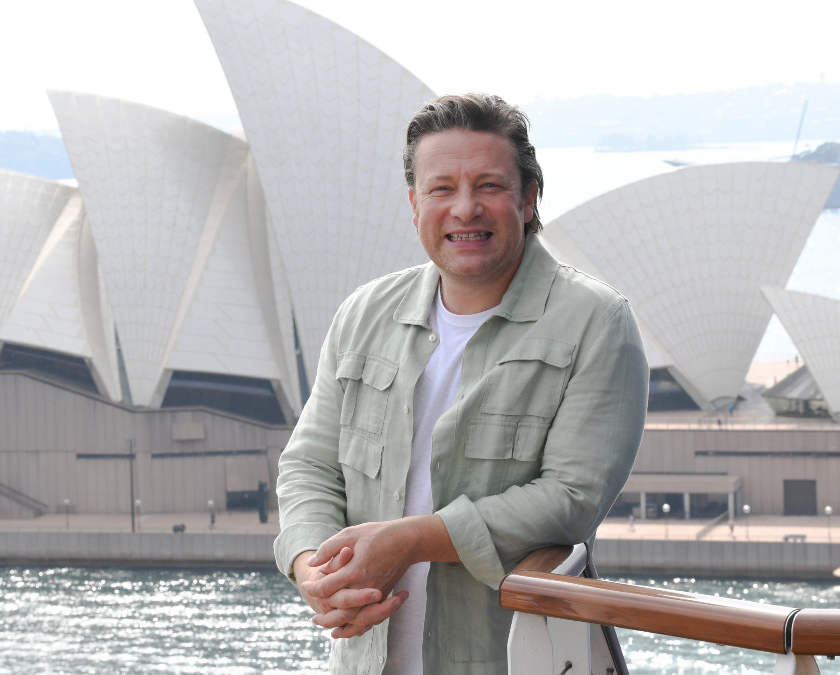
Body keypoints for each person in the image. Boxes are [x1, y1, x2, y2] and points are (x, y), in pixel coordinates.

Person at [274, 93, 649, 674]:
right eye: (442, 188)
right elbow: (310, 465)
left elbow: (570, 499)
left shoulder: (596, 321)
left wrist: (412, 540)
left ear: (528, 198)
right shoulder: (363, 314)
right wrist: (311, 567)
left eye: (490, 186)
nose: (465, 208)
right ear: (413, 203)